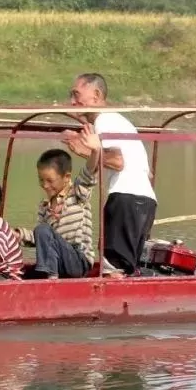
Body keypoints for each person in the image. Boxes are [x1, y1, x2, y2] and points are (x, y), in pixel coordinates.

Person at [64, 73, 157, 277]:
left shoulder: (104, 120)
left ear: (96, 95)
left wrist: (85, 150)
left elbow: (117, 161)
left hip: (127, 199)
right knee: (122, 265)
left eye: (77, 95)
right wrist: (87, 150)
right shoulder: (119, 121)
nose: (72, 102)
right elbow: (144, 170)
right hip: (144, 201)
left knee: (114, 269)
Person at [14, 148, 98, 279]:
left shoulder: (77, 193)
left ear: (66, 177)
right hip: (58, 261)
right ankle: (48, 273)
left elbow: (89, 172)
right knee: (41, 230)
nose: (45, 185)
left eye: (50, 180)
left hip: (78, 261)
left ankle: (50, 277)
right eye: (41, 180)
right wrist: (18, 235)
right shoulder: (44, 206)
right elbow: (40, 236)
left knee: (43, 229)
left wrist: (95, 151)